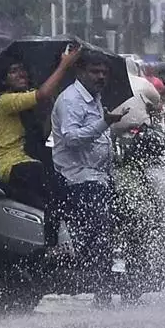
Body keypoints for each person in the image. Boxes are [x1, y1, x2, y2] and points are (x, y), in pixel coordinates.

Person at [53, 52, 127, 297]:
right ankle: (99, 284)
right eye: (95, 71)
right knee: (100, 230)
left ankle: (118, 276)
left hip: (99, 176)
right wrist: (104, 123)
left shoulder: (94, 98)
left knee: (129, 215)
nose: (101, 76)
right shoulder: (71, 100)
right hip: (78, 178)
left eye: (104, 72)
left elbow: (98, 136)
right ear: (80, 72)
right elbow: (72, 138)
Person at [0, 44, 80, 226]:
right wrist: (63, 66)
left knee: (65, 172)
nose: (21, 74)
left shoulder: (24, 104)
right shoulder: (3, 101)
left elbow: (42, 136)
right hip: (13, 165)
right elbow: (43, 93)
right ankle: (54, 241)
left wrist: (52, 110)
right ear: (4, 80)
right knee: (51, 186)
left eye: (22, 70)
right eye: (13, 71)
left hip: (29, 158)